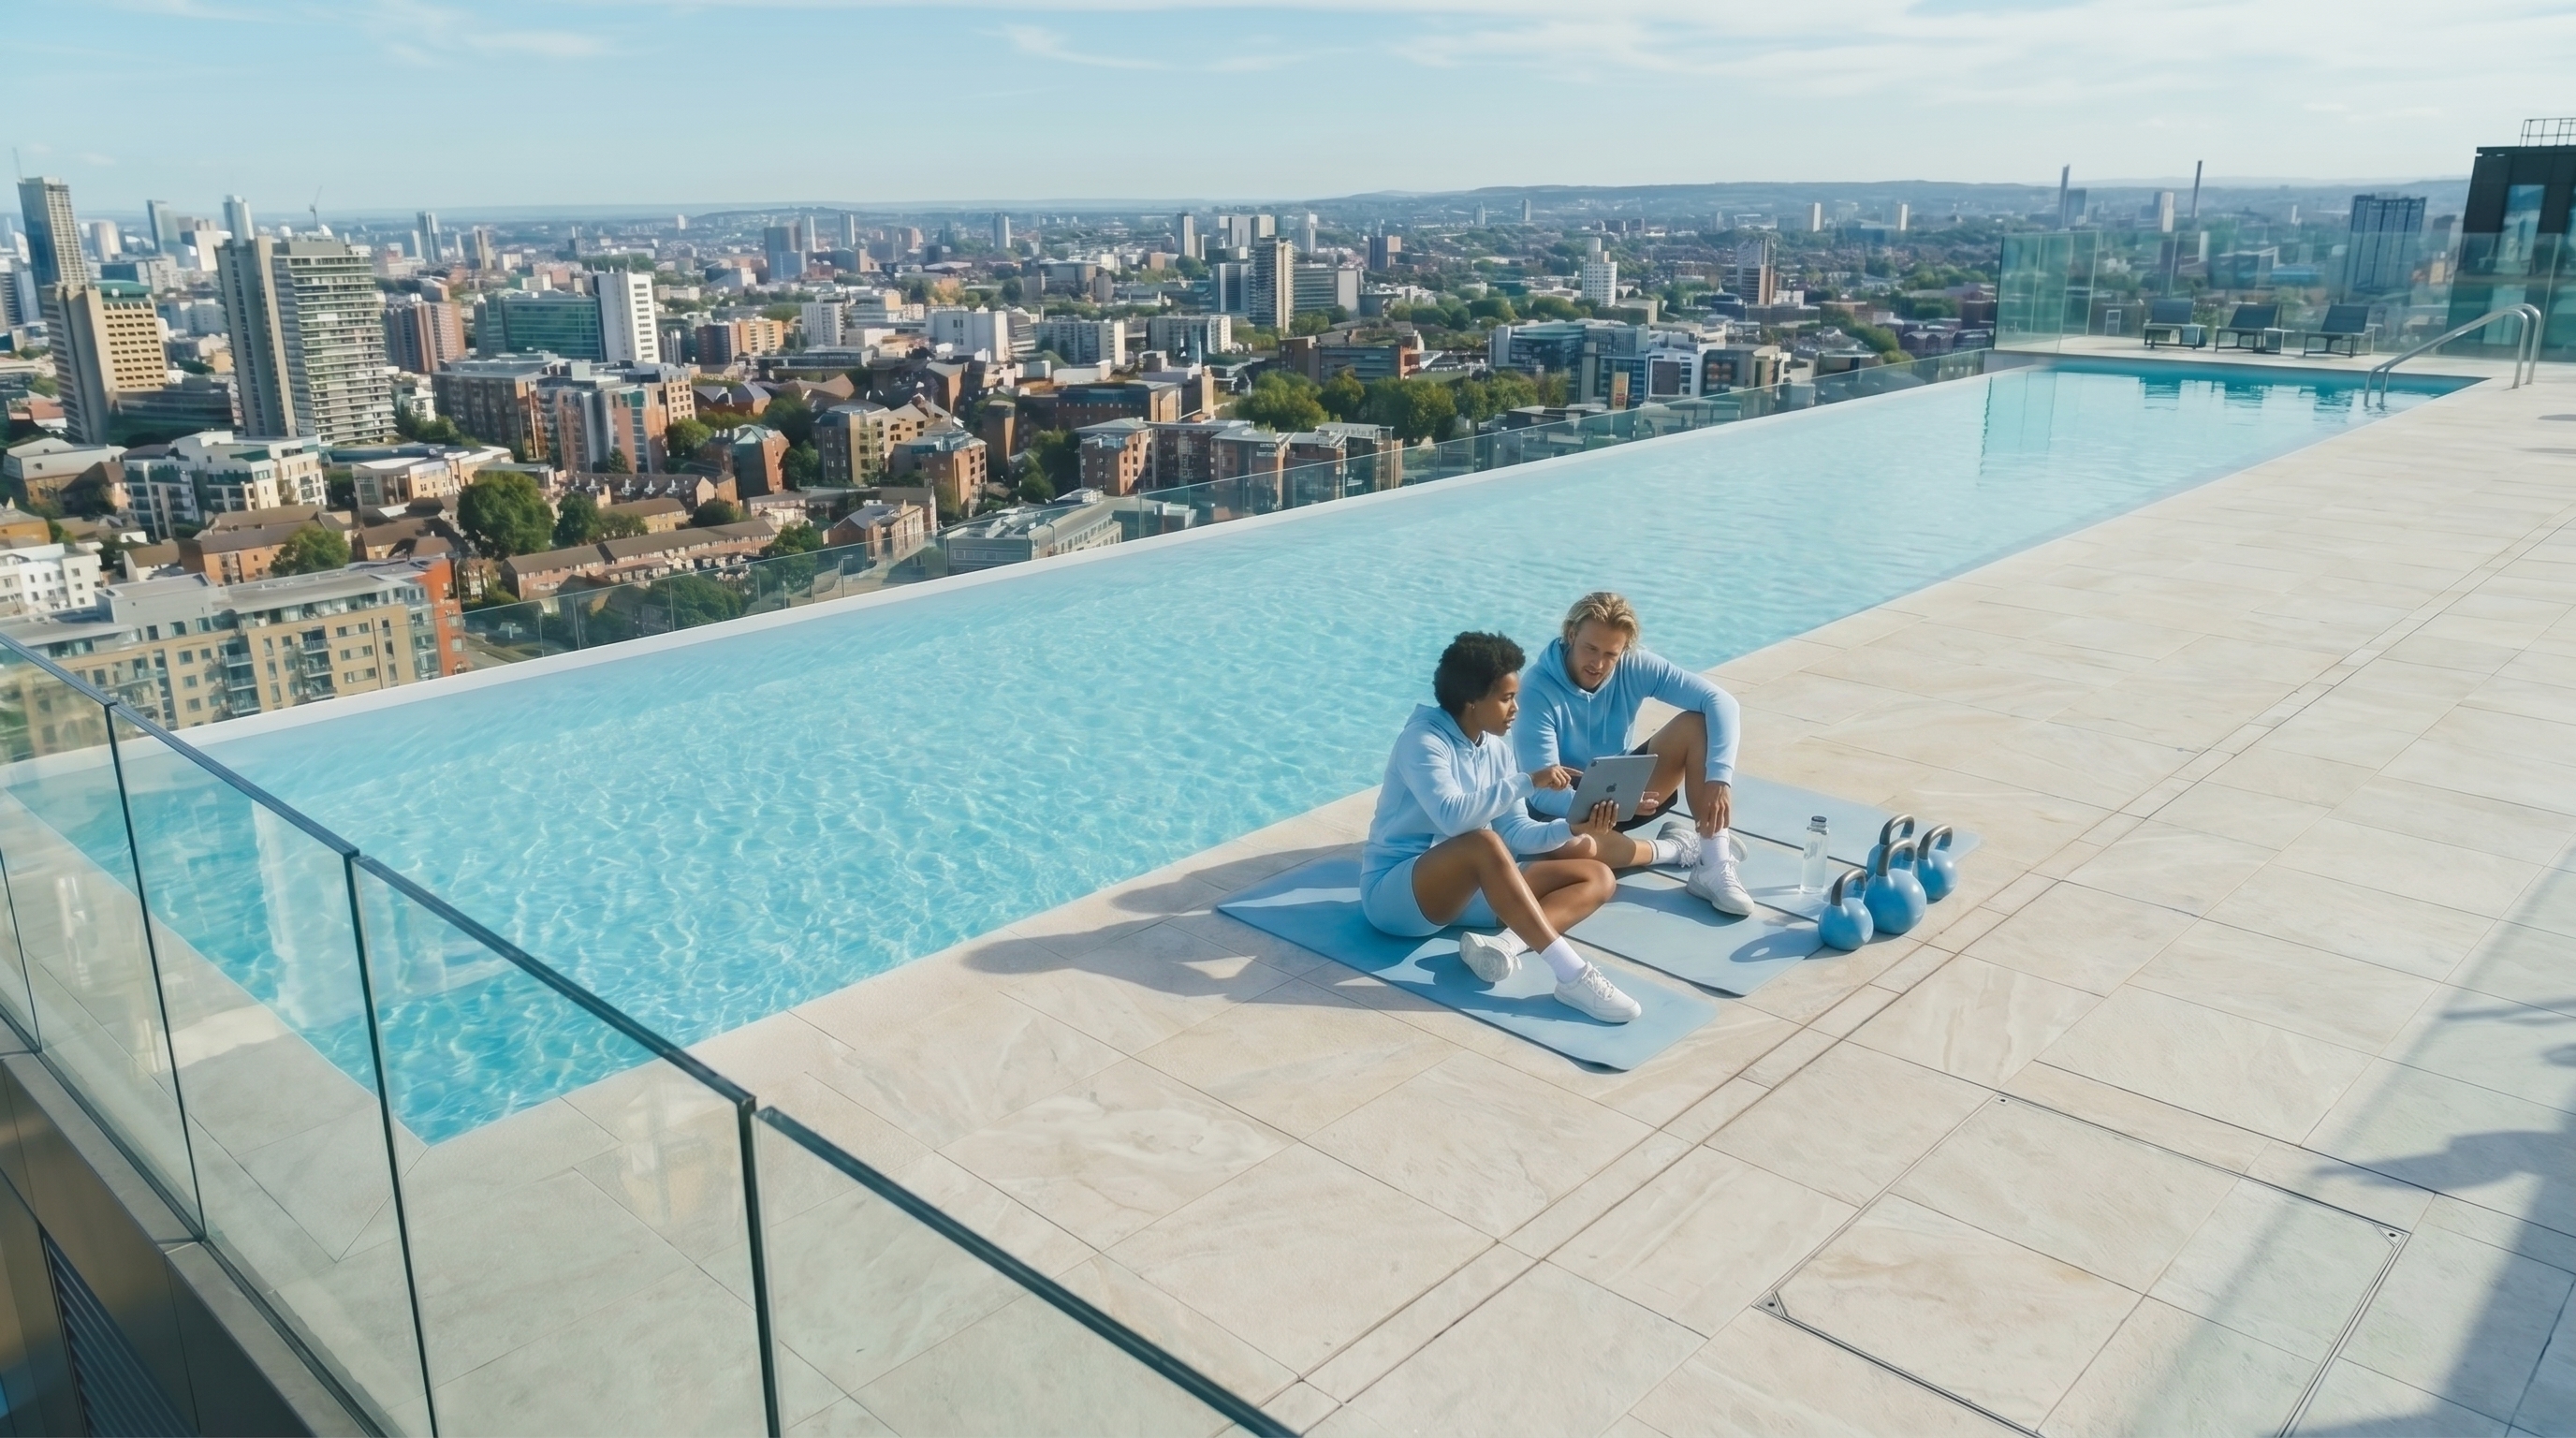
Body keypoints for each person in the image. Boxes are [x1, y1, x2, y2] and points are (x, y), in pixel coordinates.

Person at [1359, 631, 1645, 1023]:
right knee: (1483, 843)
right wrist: (1529, 780)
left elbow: (1517, 833)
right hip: (1397, 897)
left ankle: (1505, 945)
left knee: (1595, 874)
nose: (1515, 709)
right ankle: (1572, 974)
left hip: (1464, 893)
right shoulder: (1423, 742)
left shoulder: (1493, 746)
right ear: (1471, 701)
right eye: (1506, 698)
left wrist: (1572, 826)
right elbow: (1453, 818)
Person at [1516, 592, 1754, 915]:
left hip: (1627, 794)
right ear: (1571, 634)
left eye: (1611, 654)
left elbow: (1722, 703)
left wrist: (1720, 779)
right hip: (1564, 811)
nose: (1599, 664)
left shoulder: (1633, 664)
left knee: (1695, 725)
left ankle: (1713, 861)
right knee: (1571, 847)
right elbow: (1542, 795)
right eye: (1590, 649)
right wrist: (1603, 807)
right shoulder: (1535, 690)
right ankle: (1673, 849)